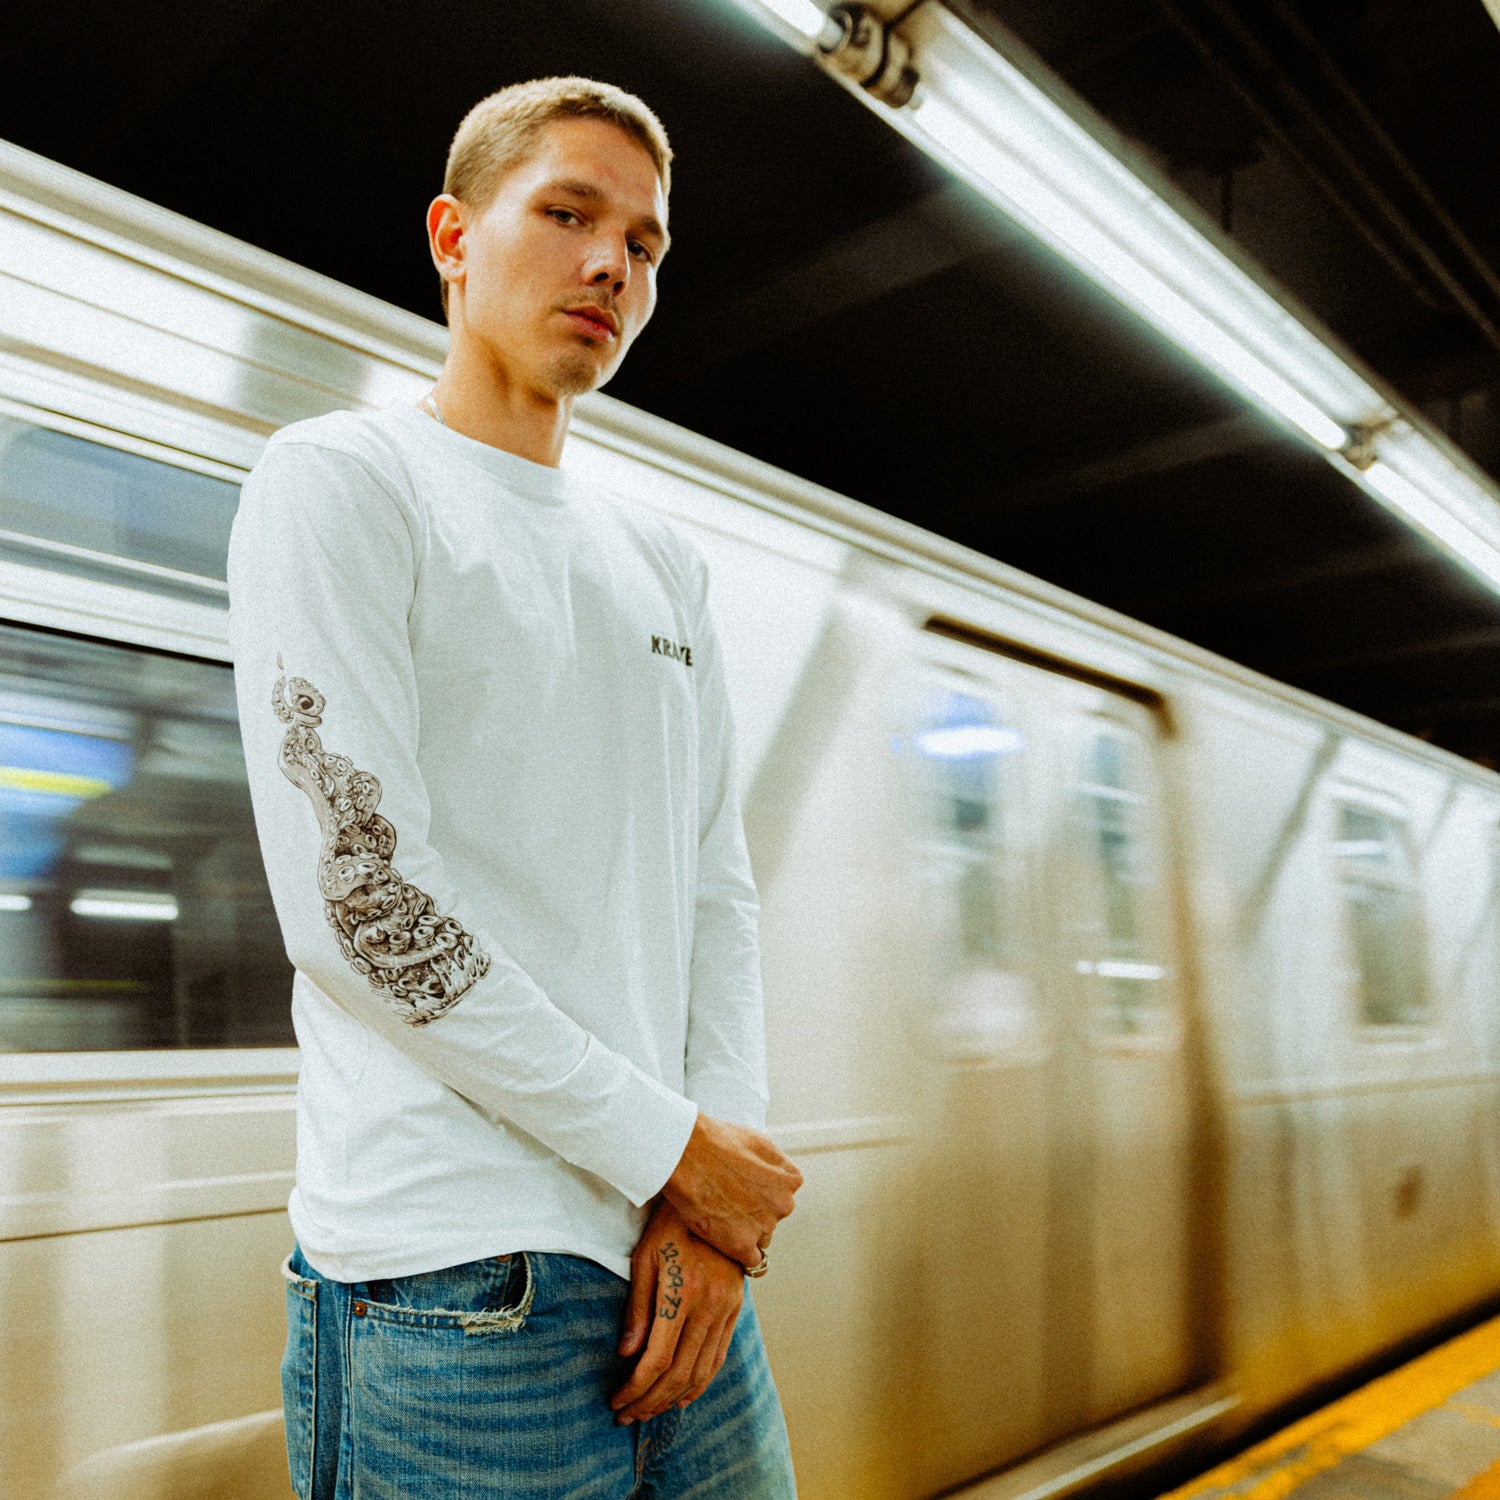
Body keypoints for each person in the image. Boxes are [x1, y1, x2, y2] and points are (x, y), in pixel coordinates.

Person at [227, 76, 803, 1499]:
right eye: (567, 214)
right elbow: (363, 907)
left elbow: (714, 891)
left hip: (678, 1269)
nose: (612, 265)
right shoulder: (344, 482)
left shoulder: (662, 561)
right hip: (454, 1288)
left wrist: (713, 1201)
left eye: (645, 245)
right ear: (453, 237)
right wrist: (677, 1152)